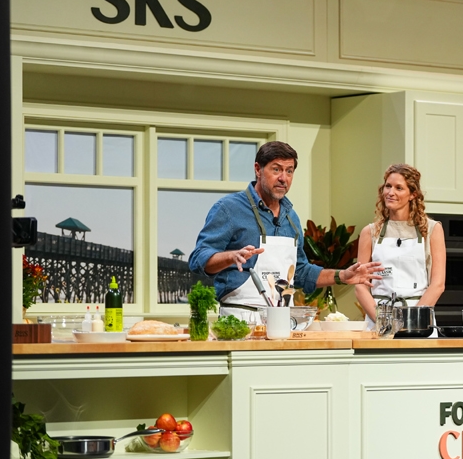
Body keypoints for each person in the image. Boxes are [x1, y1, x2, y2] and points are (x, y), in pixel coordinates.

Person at [189, 141, 382, 322]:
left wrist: (342, 276)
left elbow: (301, 272)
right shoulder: (229, 208)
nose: (283, 178)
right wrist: (231, 256)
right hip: (239, 318)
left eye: (289, 171)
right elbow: (198, 258)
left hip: (281, 319)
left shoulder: (291, 218)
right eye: (276, 169)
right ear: (257, 169)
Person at [355, 164, 446, 330]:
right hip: (378, 320)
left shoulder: (432, 230)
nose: (391, 192)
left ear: (412, 194)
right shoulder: (370, 232)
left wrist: (412, 322)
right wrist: (384, 322)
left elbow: (438, 284)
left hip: (419, 320)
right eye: (388, 186)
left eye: (399, 188)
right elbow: (360, 285)